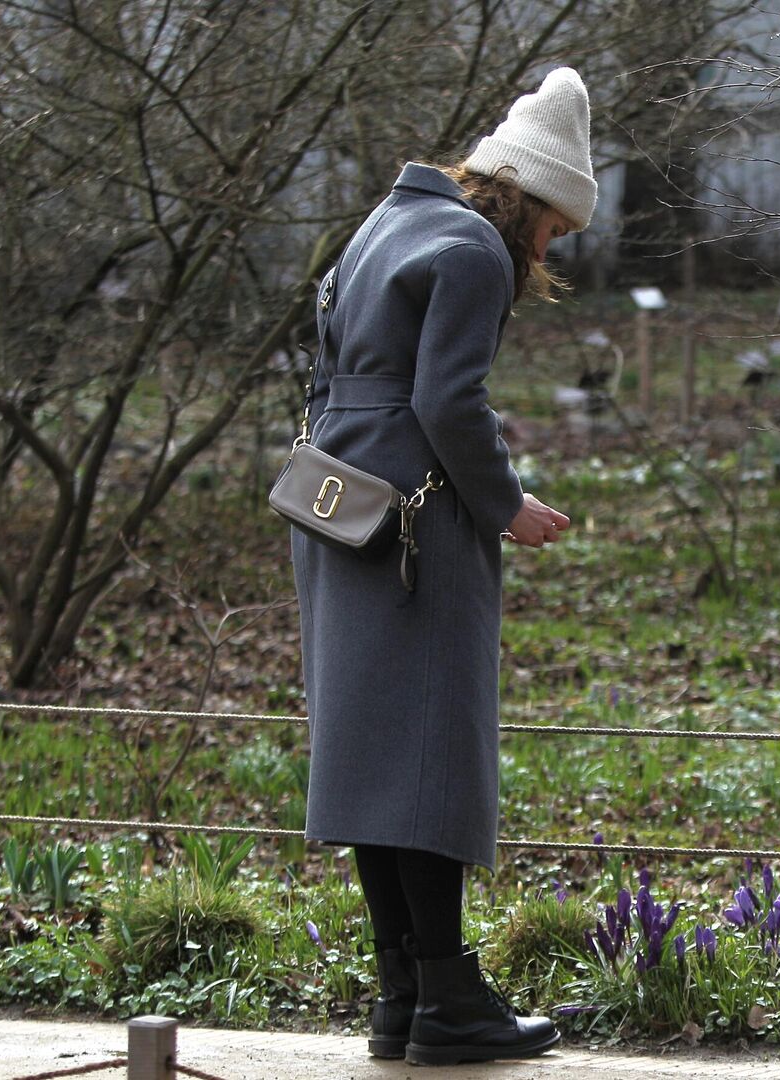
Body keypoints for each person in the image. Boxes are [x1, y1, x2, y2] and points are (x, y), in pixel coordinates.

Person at [290, 67, 592, 1066]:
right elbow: (449, 399)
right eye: (555, 229)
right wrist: (507, 506)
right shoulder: (472, 248)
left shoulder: (388, 219)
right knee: (427, 756)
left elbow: (344, 362)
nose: (550, 250)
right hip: (416, 517)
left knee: (375, 754)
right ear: (534, 201)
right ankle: (451, 1005)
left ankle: (405, 997)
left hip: (339, 501)